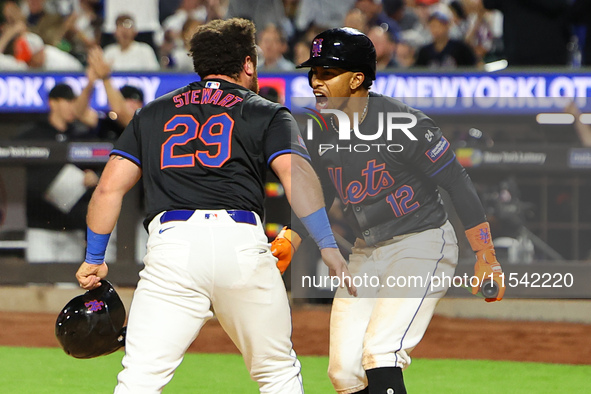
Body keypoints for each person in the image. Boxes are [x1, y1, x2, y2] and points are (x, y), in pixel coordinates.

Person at [74, 18, 355, 393]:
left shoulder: (153, 112)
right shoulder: (266, 111)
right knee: (276, 374)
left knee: (139, 378)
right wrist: (328, 245)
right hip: (240, 245)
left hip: (172, 250)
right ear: (248, 64)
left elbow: (108, 188)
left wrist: (94, 257)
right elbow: (296, 179)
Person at [293, 27, 505, 393]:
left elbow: (456, 182)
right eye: (314, 72)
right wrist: (291, 236)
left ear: (358, 79)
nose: (316, 81)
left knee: (381, 351)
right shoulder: (323, 130)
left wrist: (485, 253)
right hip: (365, 251)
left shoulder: (405, 124)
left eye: (327, 73)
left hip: (420, 244)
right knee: (343, 372)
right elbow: (321, 191)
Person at [16, 83, 98, 263]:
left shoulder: (81, 136)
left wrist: (94, 177)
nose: (72, 106)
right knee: (38, 287)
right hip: (40, 227)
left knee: (69, 288)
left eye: (74, 101)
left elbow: (102, 163)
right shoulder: (33, 135)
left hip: (73, 227)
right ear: (53, 102)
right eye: (67, 101)